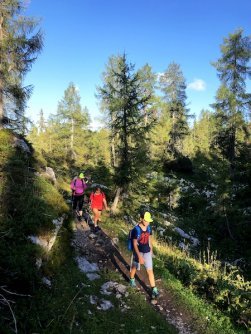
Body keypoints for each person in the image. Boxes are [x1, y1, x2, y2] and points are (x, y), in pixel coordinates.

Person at [129, 211, 159, 299]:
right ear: (141, 219)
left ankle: (154, 289)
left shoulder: (149, 228)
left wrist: (151, 250)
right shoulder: (136, 230)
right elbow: (134, 244)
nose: (147, 222)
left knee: (150, 270)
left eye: (148, 221)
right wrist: (139, 256)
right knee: (135, 266)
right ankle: (131, 279)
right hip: (138, 251)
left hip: (147, 252)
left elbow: (149, 239)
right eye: (146, 220)